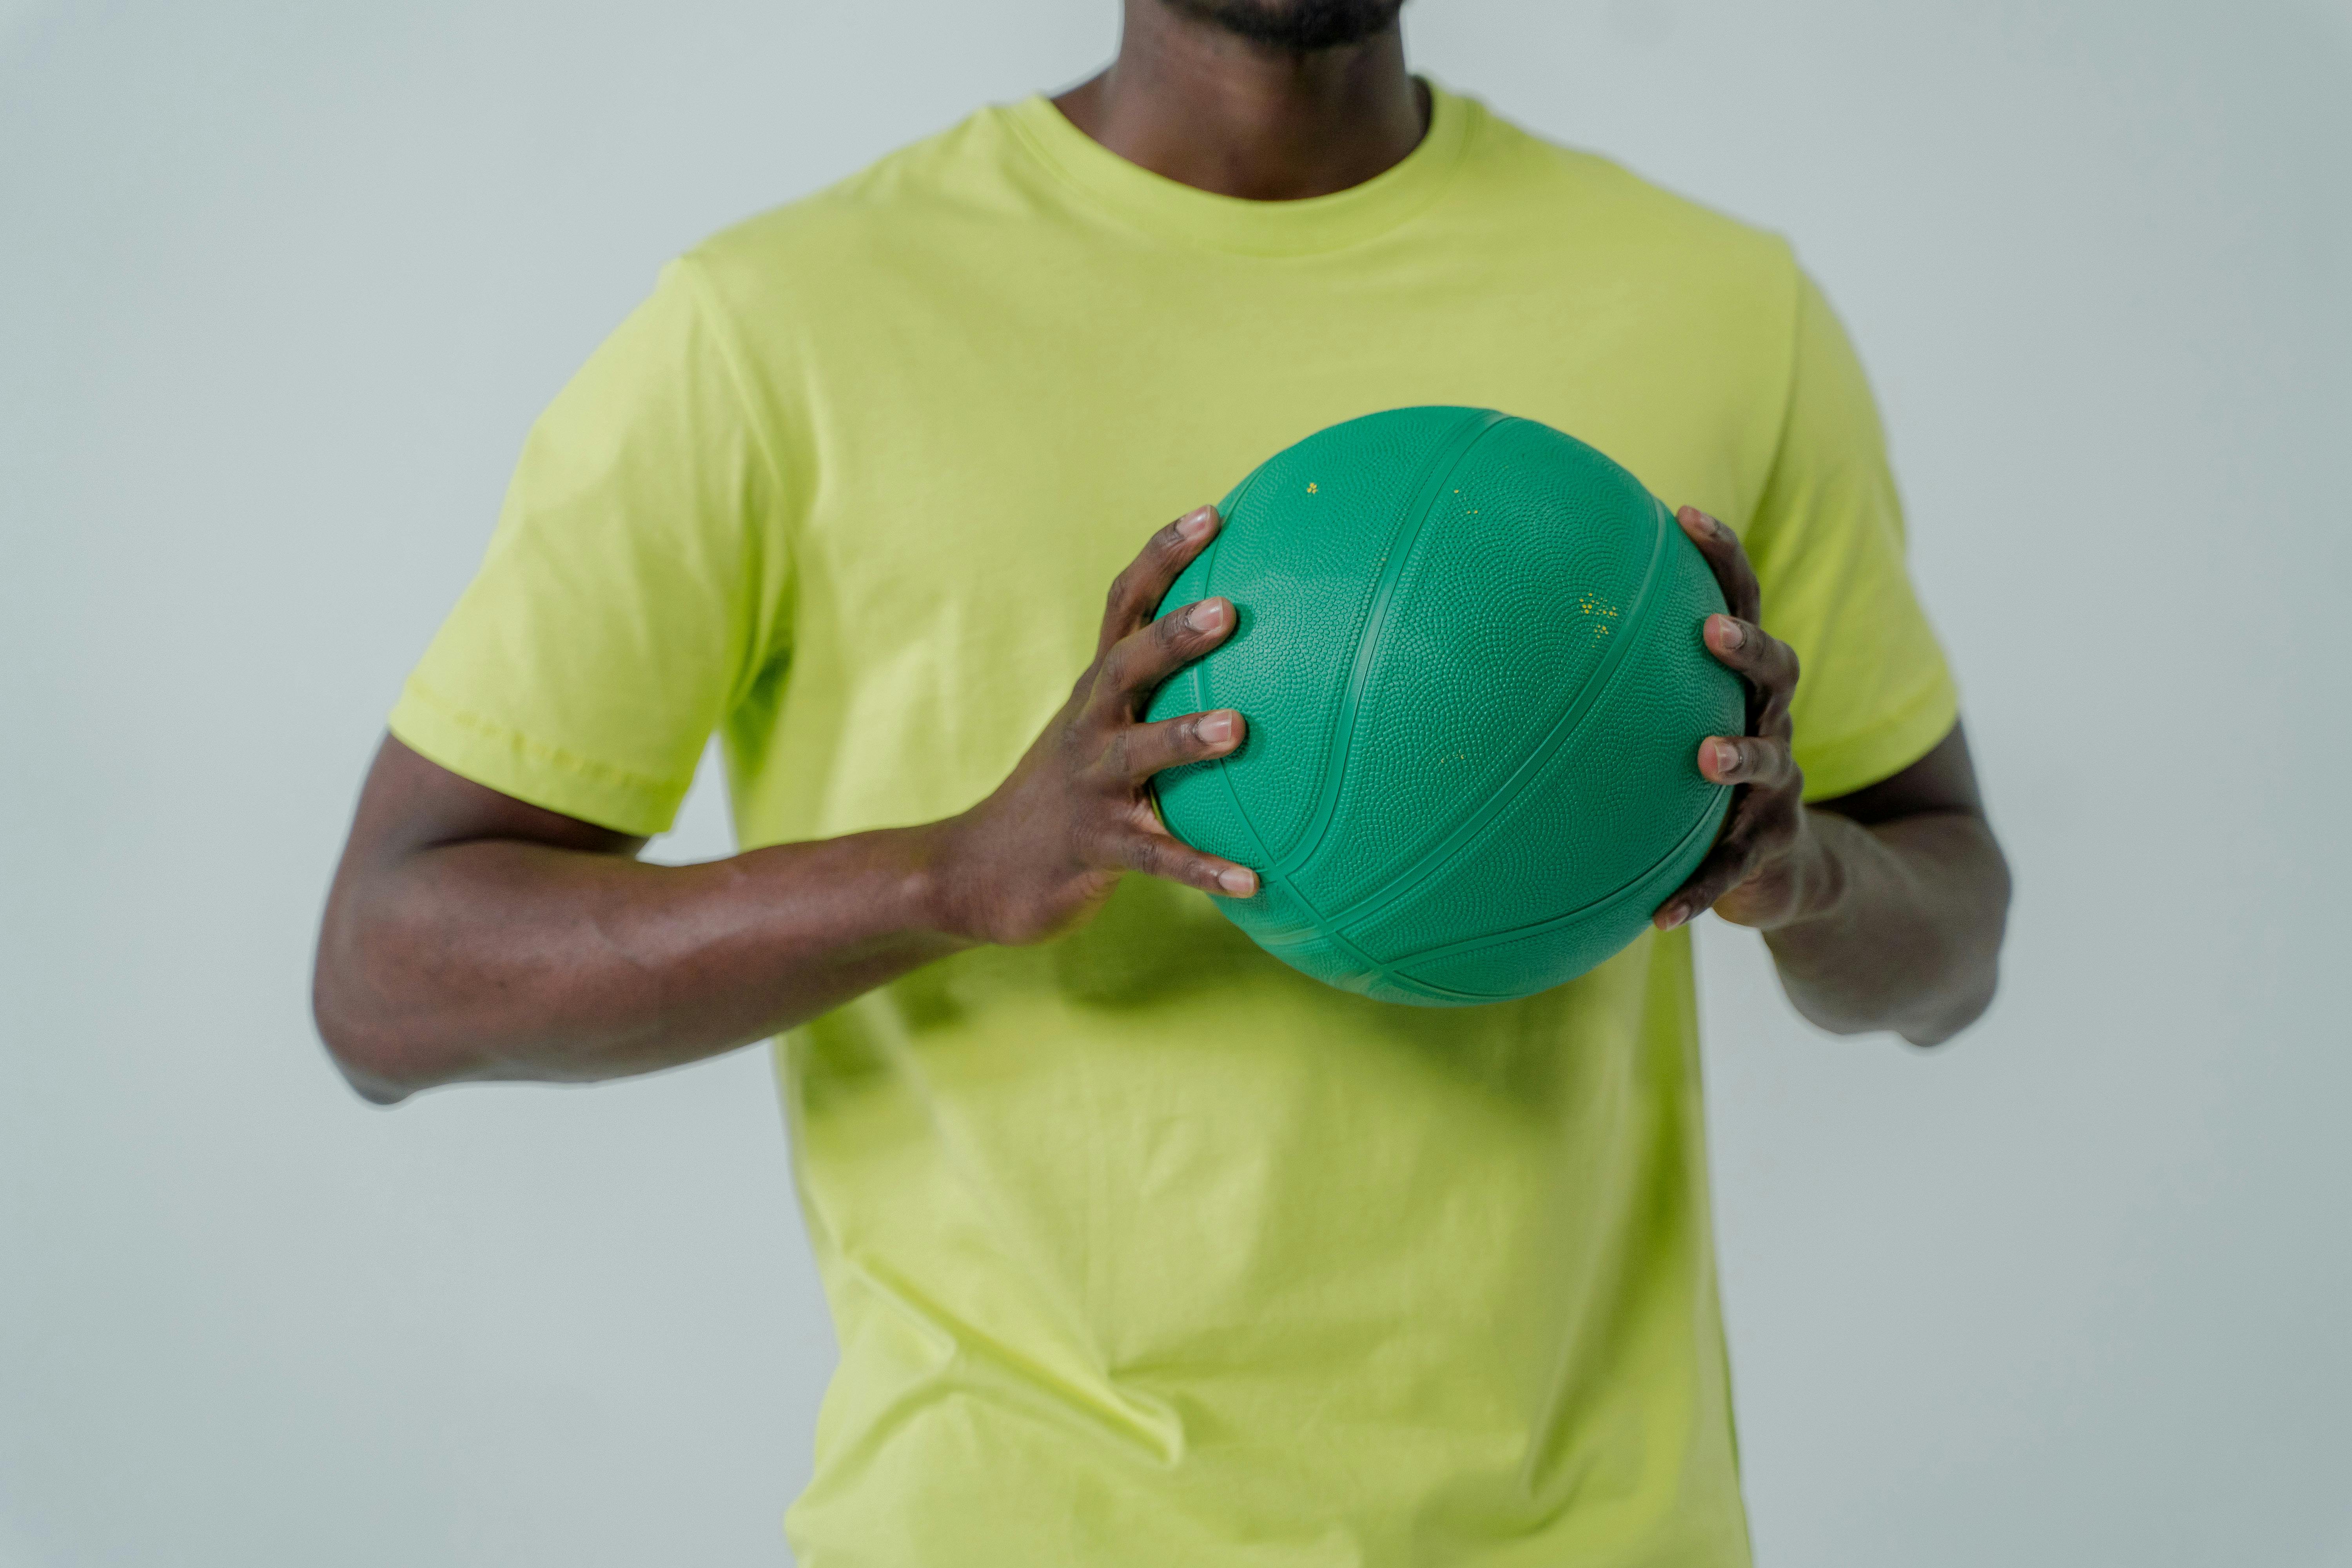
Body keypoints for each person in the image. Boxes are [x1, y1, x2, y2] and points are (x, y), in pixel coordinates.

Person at [313, 1, 2012, 1561]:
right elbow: (390, 976)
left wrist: (1803, 869)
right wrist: (954, 873)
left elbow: (1951, 951)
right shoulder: (780, 328)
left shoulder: (1715, 303)